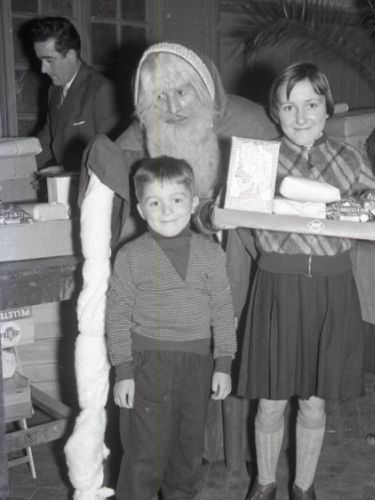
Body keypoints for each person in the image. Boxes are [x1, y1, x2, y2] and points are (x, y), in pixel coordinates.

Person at [64, 42, 279, 499]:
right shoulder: (143, 131)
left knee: (220, 371)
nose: (174, 106)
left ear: (206, 89)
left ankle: (234, 459)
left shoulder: (250, 121)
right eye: (160, 97)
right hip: (157, 298)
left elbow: (273, 193)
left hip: (232, 256)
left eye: (183, 92)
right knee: (152, 441)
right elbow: (110, 162)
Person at [237, 63, 375, 500]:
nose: (301, 117)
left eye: (311, 104)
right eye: (289, 106)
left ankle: (303, 487)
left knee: (314, 399)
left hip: (331, 290)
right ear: (276, 112)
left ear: (327, 108)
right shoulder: (259, 159)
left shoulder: (350, 158)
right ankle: (264, 483)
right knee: (271, 400)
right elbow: (230, 209)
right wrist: (210, 212)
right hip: (277, 289)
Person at [106, 156, 236, 499]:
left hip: (196, 367)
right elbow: (117, 316)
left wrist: (223, 364)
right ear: (141, 209)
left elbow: (223, 311)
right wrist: (123, 372)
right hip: (147, 366)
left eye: (176, 200)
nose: (166, 211)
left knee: (187, 455)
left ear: (193, 203)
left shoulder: (211, 254)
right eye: (155, 203)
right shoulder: (130, 256)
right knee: (143, 458)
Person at [29, 17, 120, 172]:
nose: (43, 69)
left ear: (71, 55)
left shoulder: (101, 89)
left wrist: (62, 171)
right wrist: (19, 164)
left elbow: (109, 154)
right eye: (41, 61)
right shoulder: (54, 90)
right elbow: (48, 139)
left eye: (49, 61)